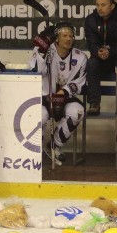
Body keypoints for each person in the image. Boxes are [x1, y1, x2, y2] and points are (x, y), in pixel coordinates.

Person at [28, 21, 87, 167]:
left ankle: (54, 145)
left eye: (71, 36)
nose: (68, 39)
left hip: (66, 98)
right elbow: (36, 71)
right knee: (39, 116)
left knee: (77, 112)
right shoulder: (45, 50)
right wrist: (41, 51)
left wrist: (63, 92)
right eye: (64, 35)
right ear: (56, 38)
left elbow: (80, 81)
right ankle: (36, 152)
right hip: (44, 97)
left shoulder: (81, 57)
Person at [83, 0, 117, 116]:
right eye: (98, 5)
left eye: (103, 5)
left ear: (112, 6)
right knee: (92, 63)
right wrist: (97, 52)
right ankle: (94, 103)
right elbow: (91, 42)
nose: (100, 8)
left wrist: (110, 52)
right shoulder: (90, 20)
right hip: (101, 58)